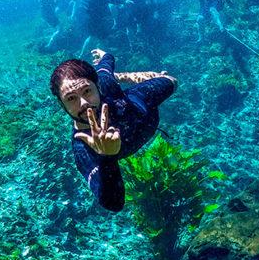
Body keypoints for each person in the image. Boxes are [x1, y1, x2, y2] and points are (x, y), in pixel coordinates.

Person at [50, 48, 177, 211]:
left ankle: (119, 77)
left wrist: (105, 56)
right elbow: (114, 204)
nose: (83, 104)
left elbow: (106, 64)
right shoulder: (83, 148)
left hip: (139, 102)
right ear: (62, 105)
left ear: (97, 87)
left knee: (171, 80)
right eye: (71, 98)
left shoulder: (106, 85)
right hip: (139, 115)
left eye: (87, 91)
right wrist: (107, 157)